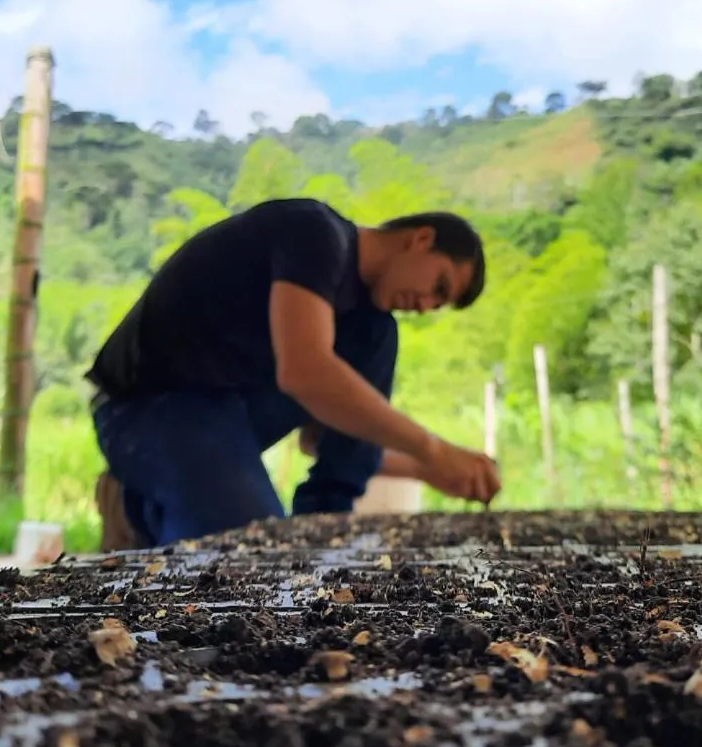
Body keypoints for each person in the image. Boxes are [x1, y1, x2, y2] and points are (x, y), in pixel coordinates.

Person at [87, 197, 502, 550]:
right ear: (421, 239)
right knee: (247, 545)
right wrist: (434, 449)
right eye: (440, 286)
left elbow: (321, 441)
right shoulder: (315, 232)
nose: (427, 305)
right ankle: (134, 505)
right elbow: (305, 372)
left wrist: (427, 470)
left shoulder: (367, 326)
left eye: (439, 304)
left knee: (378, 333)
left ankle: (319, 533)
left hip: (229, 417)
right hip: (148, 404)